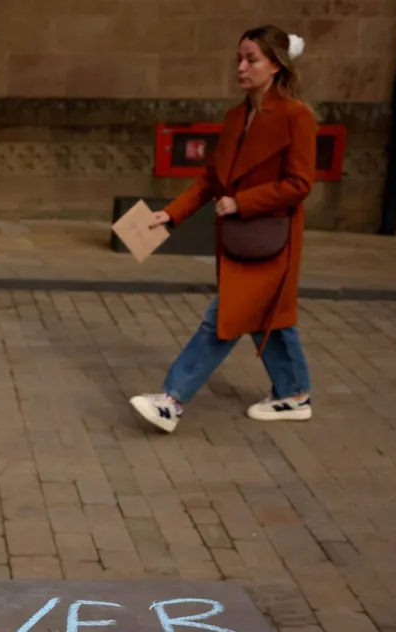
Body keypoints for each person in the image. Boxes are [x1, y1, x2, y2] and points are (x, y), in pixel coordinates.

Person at [130, 26, 317, 433]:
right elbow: (211, 179)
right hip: (241, 238)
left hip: (270, 240)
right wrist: (171, 214)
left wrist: (243, 201)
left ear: (276, 65)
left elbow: (300, 185)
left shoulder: (296, 116)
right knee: (270, 317)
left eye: (252, 59)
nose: (242, 66)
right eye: (239, 58)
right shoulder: (237, 116)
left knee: (224, 317)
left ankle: (172, 401)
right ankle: (294, 393)